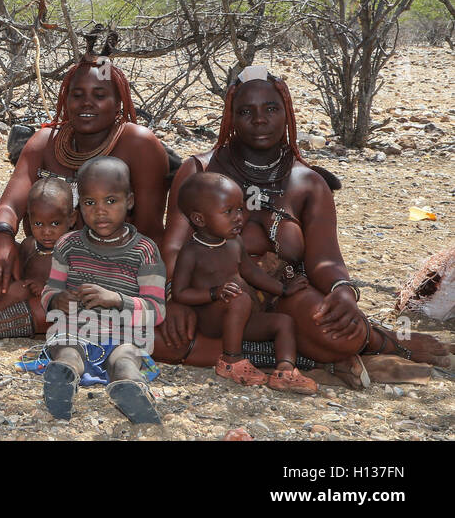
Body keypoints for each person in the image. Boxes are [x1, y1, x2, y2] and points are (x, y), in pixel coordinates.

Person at [157, 66, 449, 375]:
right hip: (214, 296)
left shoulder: (308, 182)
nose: (259, 120)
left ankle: (378, 340)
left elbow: (325, 259)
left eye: (271, 108)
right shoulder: (199, 172)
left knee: (337, 332)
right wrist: (175, 299)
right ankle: (312, 356)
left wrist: (342, 292)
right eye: (246, 111)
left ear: (288, 113)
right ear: (231, 117)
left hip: (284, 292)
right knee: (161, 339)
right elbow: (173, 248)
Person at [0, 40, 169, 323]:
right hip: (39, 261)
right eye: (77, 94)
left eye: (100, 95)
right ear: (65, 101)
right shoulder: (45, 141)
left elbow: (151, 230)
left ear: (118, 102)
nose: (86, 103)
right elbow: (9, 206)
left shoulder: (138, 143)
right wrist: (3, 236)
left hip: (107, 274)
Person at [40, 157, 165, 424]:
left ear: (129, 201)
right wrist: (56, 300)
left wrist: (118, 300)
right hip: (75, 329)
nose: (100, 211)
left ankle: (131, 389)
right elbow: (50, 289)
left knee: (124, 358)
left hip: (124, 334)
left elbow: (157, 310)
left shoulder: (144, 251)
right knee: (66, 348)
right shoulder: (68, 245)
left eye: (111, 201)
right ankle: (63, 379)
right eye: (89, 202)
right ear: (79, 205)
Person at [173, 172, 317, 393]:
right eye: (228, 212)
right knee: (239, 299)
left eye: (240, 209)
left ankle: (285, 371)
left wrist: (284, 289)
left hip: (242, 316)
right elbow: (180, 293)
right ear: (199, 219)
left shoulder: (234, 242)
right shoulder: (192, 252)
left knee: (283, 322)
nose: (238, 217)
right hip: (211, 318)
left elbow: (251, 272)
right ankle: (231, 361)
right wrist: (213, 293)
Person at [0, 178, 72, 343]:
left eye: (55, 223)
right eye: (38, 223)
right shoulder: (29, 245)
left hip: (37, 307)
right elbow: (19, 273)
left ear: (71, 219)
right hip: (16, 297)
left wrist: (46, 288)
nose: (46, 231)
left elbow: (71, 286)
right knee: (0, 287)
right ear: (28, 220)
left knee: (20, 290)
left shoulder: (70, 251)